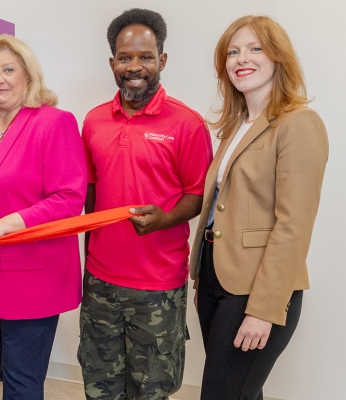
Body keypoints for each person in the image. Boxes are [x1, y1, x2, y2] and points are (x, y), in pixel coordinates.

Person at [77, 9, 213, 400]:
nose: (135, 67)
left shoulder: (187, 124)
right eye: (125, 57)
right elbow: (86, 192)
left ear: (162, 60)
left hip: (158, 287)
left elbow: (198, 194)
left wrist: (166, 218)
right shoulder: (94, 121)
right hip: (100, 280)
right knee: (99, 388)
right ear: (112, 62)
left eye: (145, 57)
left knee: (150, 392)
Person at [191, 16, 328, 399]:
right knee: (241, 391)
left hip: (257, 289)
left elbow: (293, 226)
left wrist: (264, 309)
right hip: (216, 277)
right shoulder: (236, 127)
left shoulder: (299, 123)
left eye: (254, 48)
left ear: (278, 58)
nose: (241, 59)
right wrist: (203, 278)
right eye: (232, 52)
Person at [0, 35, 86, 400]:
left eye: (8, 70)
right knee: (8, 371)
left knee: (22, 384)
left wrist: (2, 225)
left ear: (28, 75)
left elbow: (69, 199)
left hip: (30, 277)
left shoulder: (53, 123)